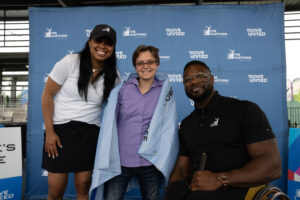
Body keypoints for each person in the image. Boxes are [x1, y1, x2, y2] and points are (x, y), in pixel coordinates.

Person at [165, 60, 282, 200]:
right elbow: (182, 170)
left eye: (200, 75)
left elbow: (272, 166)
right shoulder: (187, 124)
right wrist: (172, 190)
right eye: (187, 79)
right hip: (201, 193)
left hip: (241, 189)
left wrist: (219, 178)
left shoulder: (244, 110)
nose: (194, 81)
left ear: (212, 79)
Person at [89, 45, 179, 200]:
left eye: (150, 62)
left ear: (157, 64)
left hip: (151, 162)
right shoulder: (122, 90)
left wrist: (163, 159)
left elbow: (168, 128)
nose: (146, 66)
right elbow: (110, 125)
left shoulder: (165, 92)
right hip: (121, 161)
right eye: (140, 63)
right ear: (135, 66)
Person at [41, 24, 120, 200]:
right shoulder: (70, 62)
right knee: (55, 192)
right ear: (90, 42)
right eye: (98, 40)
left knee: (83, 188)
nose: (102, 46)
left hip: (89, 134)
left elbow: (120, 106)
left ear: (113, 48)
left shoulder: (113, 76)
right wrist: (50, 132)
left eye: (108, 43)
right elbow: (47, 95)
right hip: (59, 132)